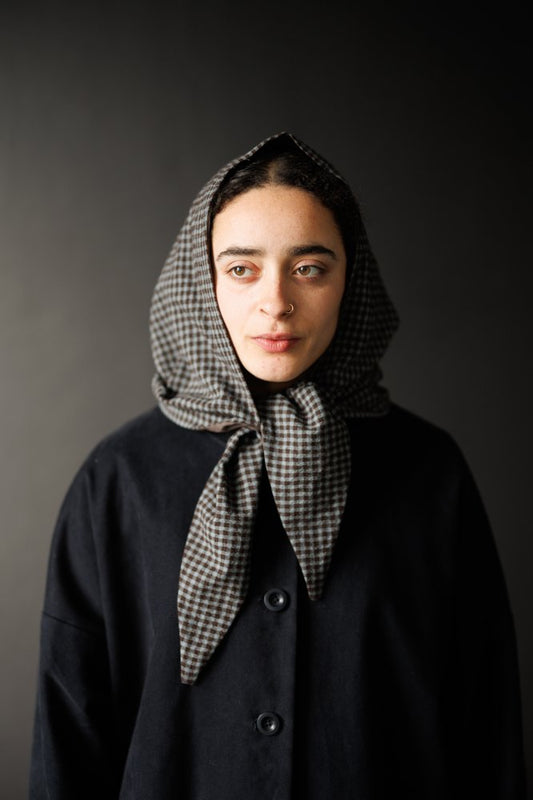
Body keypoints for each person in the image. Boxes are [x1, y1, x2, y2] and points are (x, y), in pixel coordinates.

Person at [29, 132, 526, 798]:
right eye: (241, 269)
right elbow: (70, 736)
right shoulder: (118, 479)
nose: (276, 301)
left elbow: (484, 721)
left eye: (310, 267)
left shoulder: (429, 472)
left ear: (351, 281)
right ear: (202, 281)